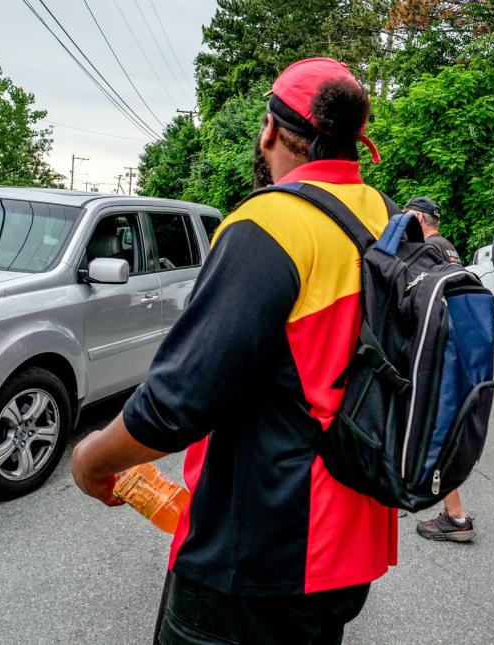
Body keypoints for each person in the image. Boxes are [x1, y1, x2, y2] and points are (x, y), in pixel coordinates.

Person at [71, 58, 396, 645]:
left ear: (270, 131)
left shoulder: (271, 223)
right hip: (353, 542)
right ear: (354, 141)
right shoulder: (382, 215)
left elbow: (177, 402)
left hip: (260, 551)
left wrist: (94, 460)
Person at [401, 196, 475, 542]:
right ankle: (406, 489)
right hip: (459, 347)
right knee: (430, 427)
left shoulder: (427, 249)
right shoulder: (448, 248)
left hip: (438, 351)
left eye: (406, 217)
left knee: (433, 429)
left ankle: (457, 517)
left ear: (419, 218)